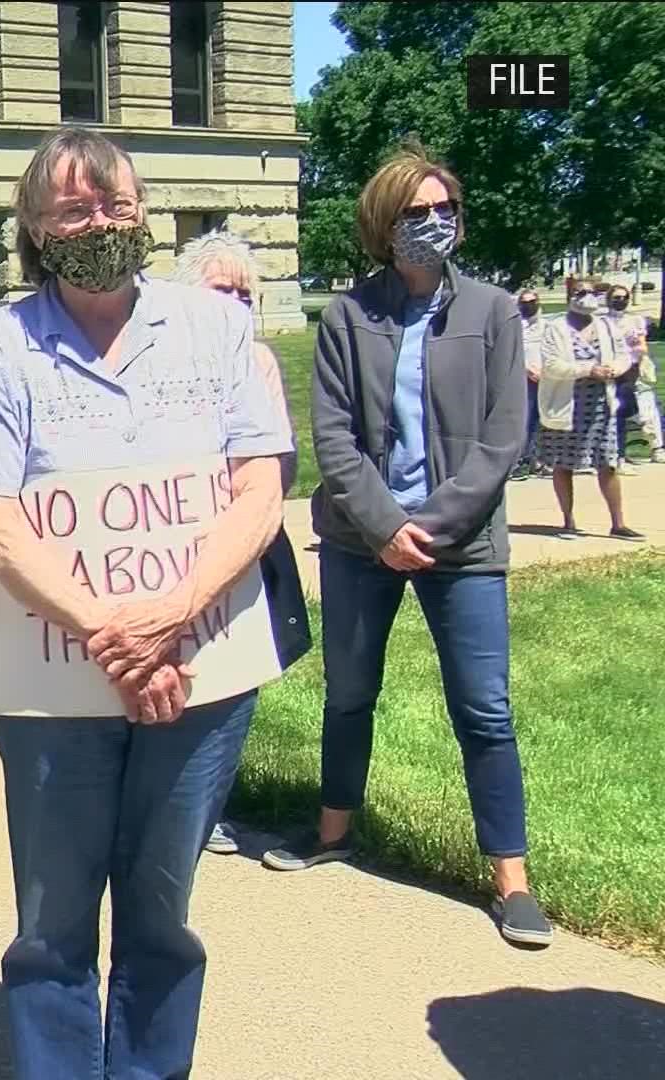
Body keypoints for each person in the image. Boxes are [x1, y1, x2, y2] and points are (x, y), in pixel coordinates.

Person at [0, 127, 290, 1079]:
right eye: (74, 208)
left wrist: (173, 614)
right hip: (57, 688)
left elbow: (259, 492)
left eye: (117, 203)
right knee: (52, 926)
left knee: (161, 913)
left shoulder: (218, 327)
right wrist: (114, 634)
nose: (101, 221)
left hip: (201, 672)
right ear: (34, 228)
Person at [277, 144, 554, 948]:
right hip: (362, 540)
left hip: (460, 544)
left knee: (485, 708)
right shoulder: (346, 317)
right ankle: (333, 835)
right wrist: (382, 526)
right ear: (382, 226)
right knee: (349, 691)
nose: (436, 223)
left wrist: (427, 526)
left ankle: (512, 880)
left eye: (446, 210)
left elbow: (506, 438)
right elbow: (333, 438)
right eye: (417, 213)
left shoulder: (495, 311)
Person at [171, 229, 302, 856]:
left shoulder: (260, 364)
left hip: (239, 543)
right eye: (221, 289)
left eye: (245, 294)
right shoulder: (160, 356)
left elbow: (279, 462)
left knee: (227, 680)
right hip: (165, 540)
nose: (235, 303)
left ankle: (211, 808)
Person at [537, 286, 642, 539]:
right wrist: (588, 370)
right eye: (580, 292)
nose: (586, 297)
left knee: (608, 463)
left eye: (592, 292)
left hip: (601, 406)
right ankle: (568, 522)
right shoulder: (556, 328)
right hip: (566, 406)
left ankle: (618, 523)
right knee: (564, 465)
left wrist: (614, 369)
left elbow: (624, 356)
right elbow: (552, 365)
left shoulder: (606, 326)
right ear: (569, 297)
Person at [605, 283, 663, 464]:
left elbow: (641, 344)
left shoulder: (635, 320)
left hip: (633, 371)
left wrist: (639, 356)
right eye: (616, 298)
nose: (621, 301)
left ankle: (657, 448)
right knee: (616, 412)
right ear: (609, 300)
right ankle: (617, 453)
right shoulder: (602, 322)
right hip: (612, 373)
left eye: (624, 298)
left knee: (648, 411)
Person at [511, 287, 555, 480]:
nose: (529, 306)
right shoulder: (515, 327)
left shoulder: (547, 326)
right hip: (523, 380)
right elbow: (511, 352)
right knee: (525, 422)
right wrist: (527, 370)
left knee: (547, 421)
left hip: (547, 378)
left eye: (532, 302)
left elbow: (553, 350)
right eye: (525, 302)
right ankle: (522, 461)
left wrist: (546, 371)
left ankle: (545, 461)